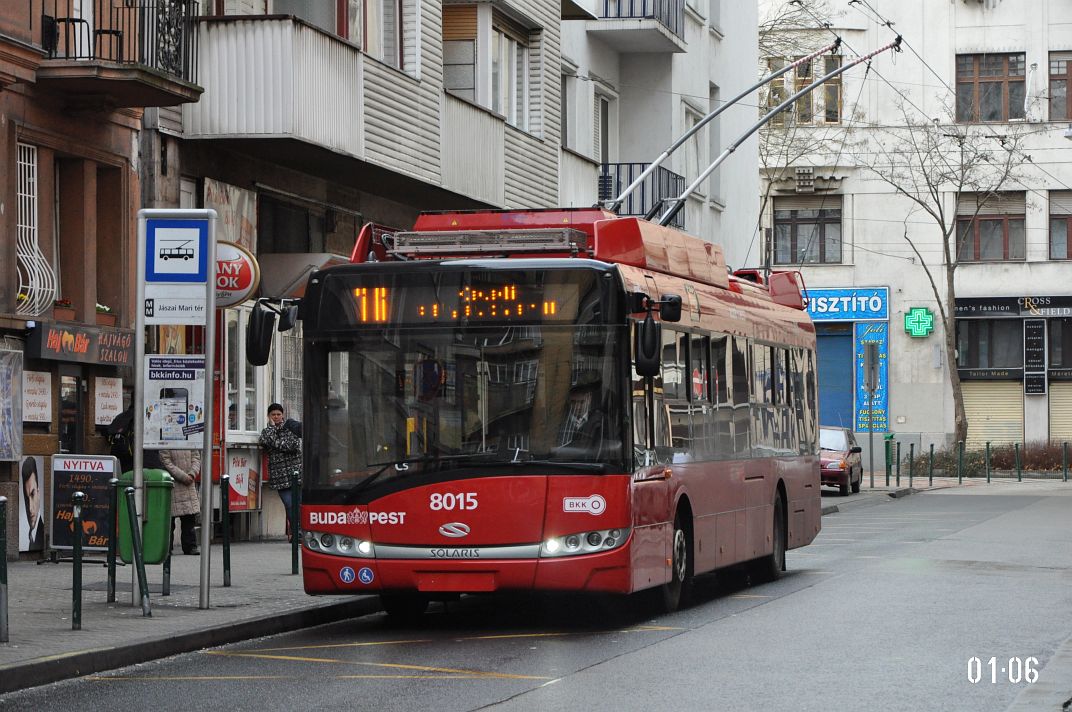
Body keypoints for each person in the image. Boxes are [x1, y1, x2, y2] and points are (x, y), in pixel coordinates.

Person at [260, 403, 302, 540]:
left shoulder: (290, 427)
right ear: (269, 416)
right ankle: (296, 531)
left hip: (295, 473)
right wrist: (274, 431)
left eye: (278, 414)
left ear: (282, 415)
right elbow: (264, 440)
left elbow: (293, 446)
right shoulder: (267, 431)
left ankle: (300, 531)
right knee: (289, 504)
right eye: (273, 414)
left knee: (298, 504)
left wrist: (275, 443)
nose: (276, 417)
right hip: (279, 476)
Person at [159, 449, 202, 555]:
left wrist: (192, 474)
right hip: (173, 483)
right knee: (169, 521)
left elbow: (196, 457)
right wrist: (183, 477)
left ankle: (190, 546)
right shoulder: (166, 441)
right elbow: (166, 461)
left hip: (189, 483)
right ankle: (167, 548)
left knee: (189, 519)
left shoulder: (189, 440)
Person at [21, 457, 44, 551]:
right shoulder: (30, 535)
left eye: (32, 494)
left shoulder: (41, 531)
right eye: (27, 498)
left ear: (39, 491)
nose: (30, 508)